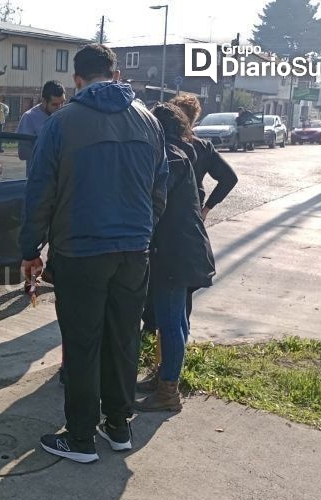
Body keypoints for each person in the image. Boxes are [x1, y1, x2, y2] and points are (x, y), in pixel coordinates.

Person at [20, 44, 168, 463]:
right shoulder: (149, 122)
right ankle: (119, 427)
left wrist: (31, 249)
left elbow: (39, 192)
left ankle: (81, 437)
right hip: (134, 251)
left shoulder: (62, 123)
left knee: (82, 344)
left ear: (77, 80)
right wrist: (141, 231)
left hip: (80, 252)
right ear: (116, 74)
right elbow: (161, 189)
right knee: (123, 339)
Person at [139, 94, 238, 341]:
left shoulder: (162, 147)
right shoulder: (203, 147)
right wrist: (205, 209)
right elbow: (229, 178)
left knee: (157, 283)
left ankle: (155, 338)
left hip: (160, 223)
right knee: (182, 292)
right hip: (188, 221)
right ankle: (175, 345)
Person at [136, 103, 215, 412]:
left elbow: (152, 203)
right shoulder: (179, 154)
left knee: (171, 323)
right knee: (176, 321)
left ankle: (168, 393)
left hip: (175, 254)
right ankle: (164, 380)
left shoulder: (168, 157)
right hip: (184, 250)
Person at [17, 81, 66, 163]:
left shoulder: (66, 115)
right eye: (55, 104)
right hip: (39, 173)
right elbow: (23, 153)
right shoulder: (29, 118)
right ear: (44, 101)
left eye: (62, 102)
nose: (60, 108)